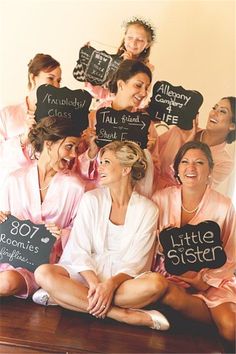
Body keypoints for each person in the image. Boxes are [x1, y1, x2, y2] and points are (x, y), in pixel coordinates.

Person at [33, 140, 170, 331]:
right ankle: (123, 315)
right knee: (43, 273)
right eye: (100, 161)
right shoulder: (91, 200)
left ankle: (66, 298)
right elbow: (79, 250)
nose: (100, 167)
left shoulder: (148, 210)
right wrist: (95, 284)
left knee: (156, 284)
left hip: (123, 283)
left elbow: (137, 262)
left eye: (106, 162)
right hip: (86, 275)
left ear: (125, 170)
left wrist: (110, 285)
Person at [151, 141, 235, 342]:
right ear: (177, 169)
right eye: (185, 162)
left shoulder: (224, 206)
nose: (191, 168)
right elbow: (144, 246)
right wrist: (159, 249)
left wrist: (204, 281)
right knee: (168, 297)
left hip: (213, 282)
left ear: (210, 170)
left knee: (231, 329)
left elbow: (231, 254)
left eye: (199, 162)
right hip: (167, 279)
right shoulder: (160, 199)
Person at [0, 116, 85, 299]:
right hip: (4, 254)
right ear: (49, 144)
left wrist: (61, 233)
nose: (74, 155)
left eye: (76, 149)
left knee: (6, 282)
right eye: (69, 146)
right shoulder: (15, 179)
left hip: (38, 265)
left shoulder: (75, 187)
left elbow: (79, 233)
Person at [86, 59, 159, 198]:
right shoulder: (94, 118)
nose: (144, 93)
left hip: (131, 197)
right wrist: (91, 152)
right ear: (121, 84)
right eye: (138, 85)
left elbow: (155, 172)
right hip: (96, 195)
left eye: (147, 88)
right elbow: (78, 168)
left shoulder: (146, 125)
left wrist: (147, 155)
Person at [0, 53, 62, 188]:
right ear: (33, 78)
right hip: (11, 189)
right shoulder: (7, 114)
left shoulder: (60, 117)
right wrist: (23, 139)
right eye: (50, 78)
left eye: (58, 81)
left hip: (46, 190)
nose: (55, 85)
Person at [154, 96, 236, 190]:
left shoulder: (224, 163)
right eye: (214, 108)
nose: (214, 113)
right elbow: (150, 153)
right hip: (144, 194)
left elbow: (196, 190)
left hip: (171, 202)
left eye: (222, 111)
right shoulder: (181, 131)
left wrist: (187, 147)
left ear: (232, 126)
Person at [85, 16, 156, 101]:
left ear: (147, 44)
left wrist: (128, 65)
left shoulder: (147, 69)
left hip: (128, 111)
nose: (133, 43)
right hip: (106, 106)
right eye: (130, 38)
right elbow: (99, 91)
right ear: (124, 38)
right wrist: (87, 57)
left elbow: (140, 98)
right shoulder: (113, 61)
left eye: (140, 40)